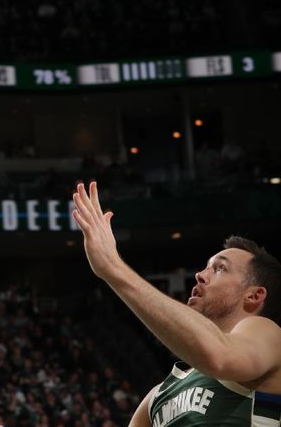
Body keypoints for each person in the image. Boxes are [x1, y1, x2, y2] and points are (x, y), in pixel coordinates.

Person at [72, 181, 281, 426]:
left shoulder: (269, 335)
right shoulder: (157, 396)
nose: (201, 275)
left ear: (254, 296)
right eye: (205, 267)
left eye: (220, 268)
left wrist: (112, 268)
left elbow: (218, 356)